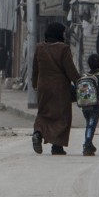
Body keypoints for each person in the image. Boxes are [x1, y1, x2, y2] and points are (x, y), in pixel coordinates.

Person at [31, 22, 80, 155]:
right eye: (63, 32)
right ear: (58, 33)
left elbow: (35, 68)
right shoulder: (63, 49)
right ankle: (57, 146)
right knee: (62, 116)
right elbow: (70, 70)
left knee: (43, 113)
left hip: (43, 87)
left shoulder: (39, 47)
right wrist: (80, 83)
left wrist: (35, 84)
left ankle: (38, 133)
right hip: (60, 88)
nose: (64, 35)